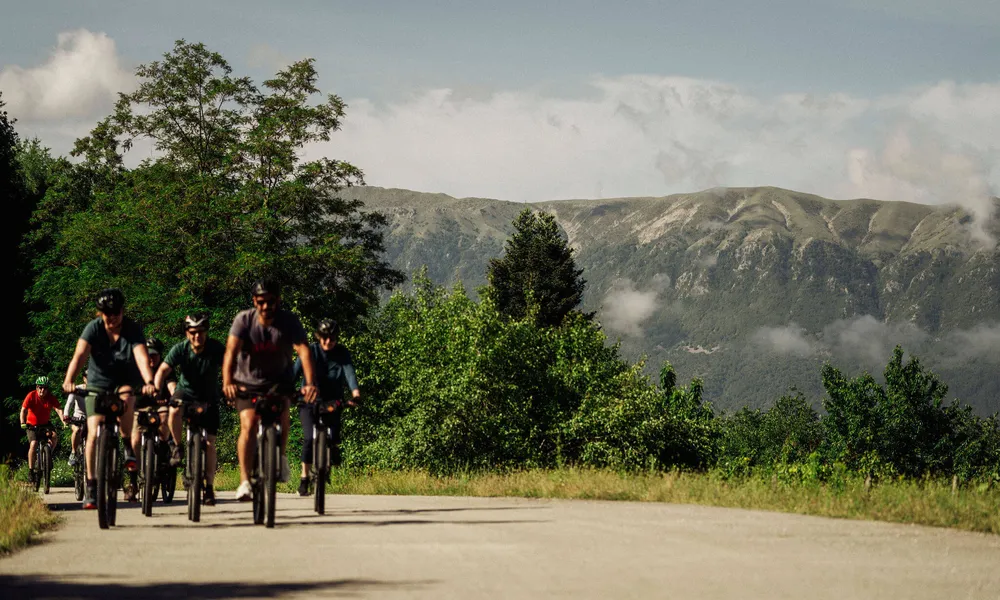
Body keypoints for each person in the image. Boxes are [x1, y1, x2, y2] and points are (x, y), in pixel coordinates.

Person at [222, 279, 318, 502]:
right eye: (261, 301)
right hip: (247, 382)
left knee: (283, 416)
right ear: (254, 301)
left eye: (271, 301)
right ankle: (245, 481)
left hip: (279, 381)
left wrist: (310, 383)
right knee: (248, 424)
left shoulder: (289, 321)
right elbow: (230, 352)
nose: (266, 306)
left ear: (278, 300)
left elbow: (304, 351)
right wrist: (227, 382)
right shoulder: (244, 320)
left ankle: (280, 457)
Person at [62, 288, 157, 509]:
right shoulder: (93, 328)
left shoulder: (132, 329)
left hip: (125, 379)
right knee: (93, 431)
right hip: (98, 382)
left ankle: (127, 446)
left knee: (127, 400)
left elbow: (141, 357)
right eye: (107, 313)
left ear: (122, 311)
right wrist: (69, 380)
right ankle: (91, 486)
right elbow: (79, 355)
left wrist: (149, 381)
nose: (112, 317)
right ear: (100, 313)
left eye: (116, 312)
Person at [155, 312, 225, 506]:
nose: (197, 336)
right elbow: (163, 370)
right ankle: (178, 447)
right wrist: (155, 388)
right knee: (173, 409)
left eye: (201, 331)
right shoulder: (181, 349)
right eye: (193, 332)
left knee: (210, 443)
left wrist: (232, 385)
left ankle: (209, 487)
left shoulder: (216, 348)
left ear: (206, 332)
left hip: (209, 397)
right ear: (187, 333)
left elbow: (230, 366)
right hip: (185, 393)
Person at [293, 319, 360, 496]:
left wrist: (355, 393)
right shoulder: (310, 351)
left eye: (332, 338)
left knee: (335, 433)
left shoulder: (342, 353)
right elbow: (294, 372)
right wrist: (286, 391)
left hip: (332, 400)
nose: (328, 341)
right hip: (309, 400)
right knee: (309, 438)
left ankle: (333, 448)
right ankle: (304, 477)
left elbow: (349, 372)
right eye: (324, 337)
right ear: (318, 336)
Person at [125, 337, 174, 502]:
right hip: (139, 409)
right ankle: (133, 482)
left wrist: (175, 396)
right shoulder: (136, 369)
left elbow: (172, 386)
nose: (151, 358)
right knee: (134, 441)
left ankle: (164, 454)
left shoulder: (166, 369)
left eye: (154, 355)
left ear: (160, 355)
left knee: (165, 421)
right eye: (148, 354)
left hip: (161, 407)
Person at [20, 376, 65, 483]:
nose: (42, 390)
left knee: (54, 436)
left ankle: (48, 456)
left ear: (48, 389)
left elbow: (59, 410)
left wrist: (64, 422)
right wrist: (22, 422)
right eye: (40, 387)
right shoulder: (31, 395)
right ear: (37, 387)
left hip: (45, 425)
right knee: (34, 443)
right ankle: (31, 470)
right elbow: (23, 410)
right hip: (31, 425)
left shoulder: (50, 397)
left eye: (45, 388)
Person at [62, 374, 89, 467]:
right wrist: (66, 415)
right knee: (77, 430)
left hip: (90, 419)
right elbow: (69, 403)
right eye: (87, 377)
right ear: (84, 378)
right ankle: (73, 453)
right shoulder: (77, 389)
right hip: (77, 418)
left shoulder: (96, 390)